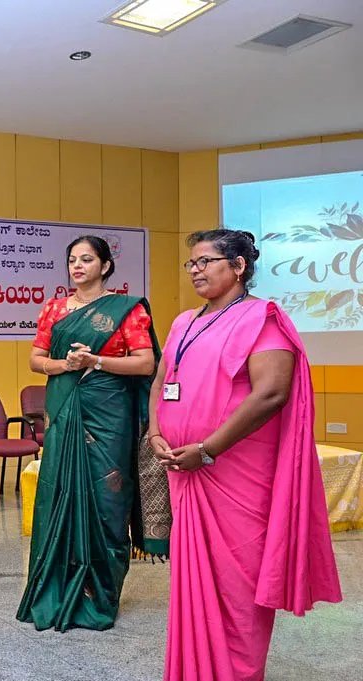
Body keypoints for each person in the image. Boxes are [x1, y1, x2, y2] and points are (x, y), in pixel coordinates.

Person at [149, 229, 341, 681]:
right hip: (184, 472)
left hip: (233, 472)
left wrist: (207, 449)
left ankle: (237, 673)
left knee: (237, 583)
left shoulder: (263, 318)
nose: (195, 270)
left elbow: (271, 393)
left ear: (238, 266)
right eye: (191, 263)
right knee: (195, 581)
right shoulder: (183, 322)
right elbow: (160, 382)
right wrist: (156, 431)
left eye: (206, 261)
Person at [16, 235, 160, 632]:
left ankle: (99, 596)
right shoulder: (54, 309)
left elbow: (145, 364)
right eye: (72, 260)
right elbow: (36, 359)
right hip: (65, 410)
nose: (77, 267)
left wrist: (96, 361)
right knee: (57, 493)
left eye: (87, 259)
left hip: (108, 414)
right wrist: (65, 365)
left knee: (106, 499)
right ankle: (52, 592)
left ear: (106, 266)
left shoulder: (126, 309)